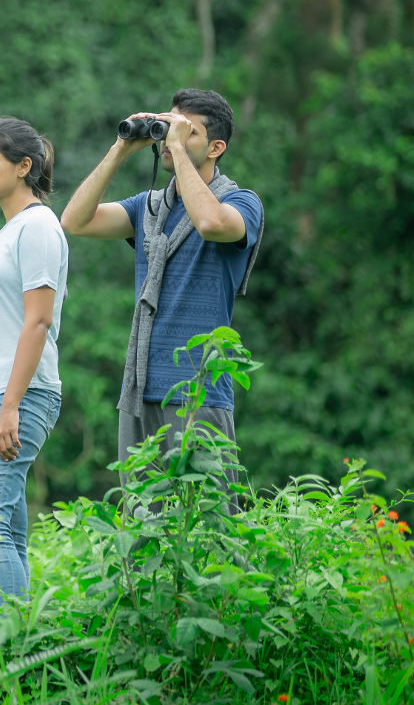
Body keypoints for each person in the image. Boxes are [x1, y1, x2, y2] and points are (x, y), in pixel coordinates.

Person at [59, 89, 264, 466]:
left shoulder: (241, 203)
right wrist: (121, 148)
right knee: (139, 516)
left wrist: (179, 151)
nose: (174, 139)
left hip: (198, 393)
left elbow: (209, 223)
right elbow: (75, 221)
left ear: (216, 147)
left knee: (203, 518)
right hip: (139, 391)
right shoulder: (149, 207)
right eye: (170, 125)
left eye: (188, 132)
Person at [0, 117, 66, 607]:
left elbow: (38, 322)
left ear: (24, 166)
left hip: (17, 395)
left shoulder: (40, 226)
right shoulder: (8, 231)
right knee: (6, 528)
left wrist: (10, 406)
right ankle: (23, 638)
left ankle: (6, 648)